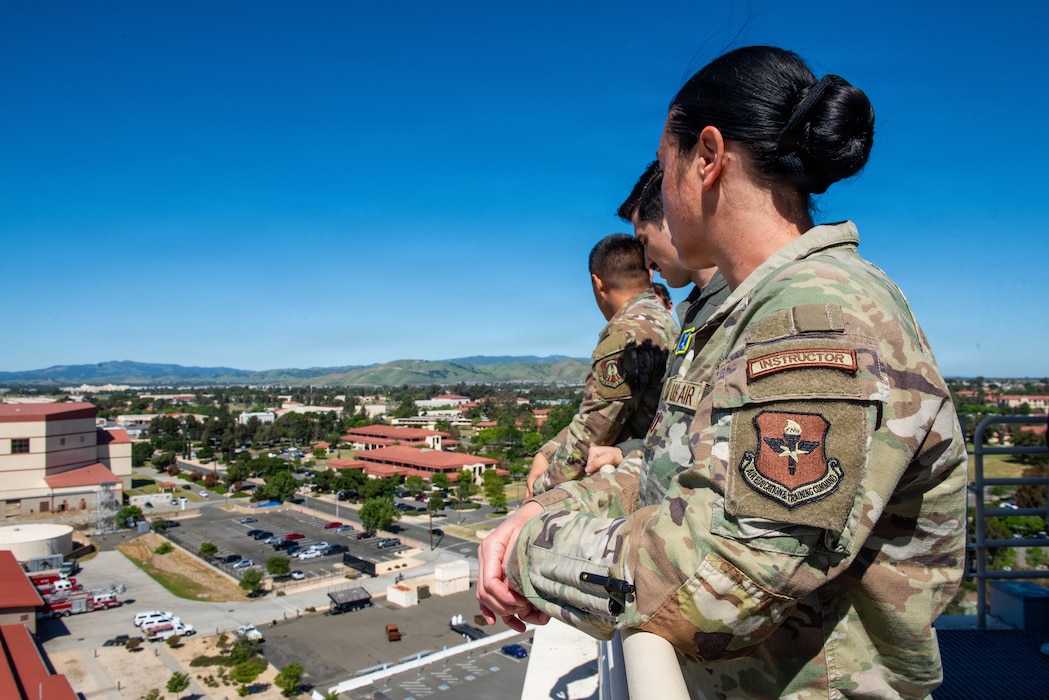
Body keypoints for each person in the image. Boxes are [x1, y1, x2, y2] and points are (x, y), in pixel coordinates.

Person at [478, 45, 967, 699]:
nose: (661, 189)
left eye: (665, 163)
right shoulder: (734, 312)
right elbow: (666, 472)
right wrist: (552, 506)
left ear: (706, 157)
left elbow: (723, 577)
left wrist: (527, 553)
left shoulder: (816, 316)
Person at [525, 233, 678, 498]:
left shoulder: (625, 335)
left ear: (598, 283)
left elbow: (595, 429)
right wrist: (547, 451)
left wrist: (540, 490)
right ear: (648, 275)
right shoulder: (660, 318)